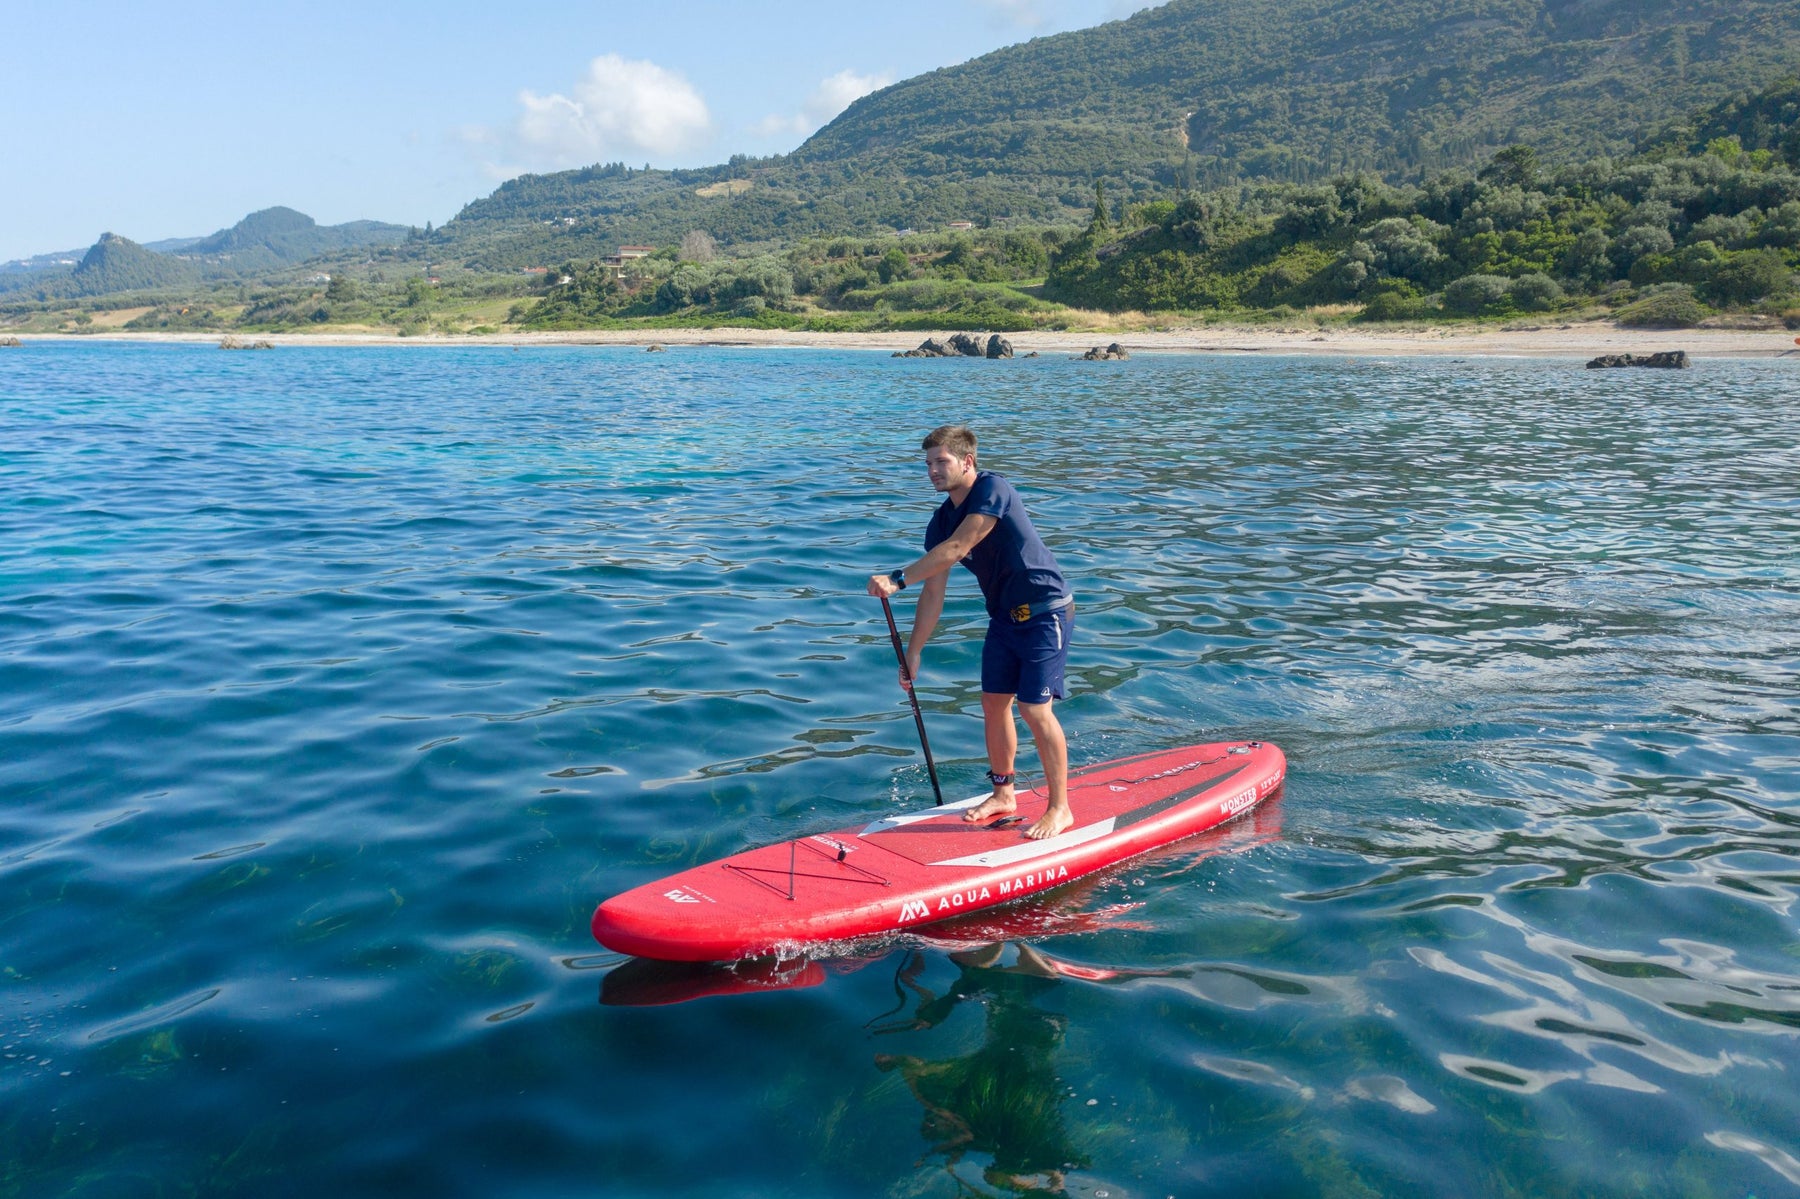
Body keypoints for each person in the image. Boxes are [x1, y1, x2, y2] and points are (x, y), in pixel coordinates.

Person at [866, 424, 1075, 839]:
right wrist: (914, 652)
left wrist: (897, 578)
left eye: (941, 461)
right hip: (1003, 619)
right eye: (928, 463)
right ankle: (1003, 794)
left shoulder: (993, 489)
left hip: (1045, 612)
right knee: (993, 704)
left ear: (967, 461)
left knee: (1034, 709)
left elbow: (959, 548)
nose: (932, 471)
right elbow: (934, 592)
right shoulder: (940, 522)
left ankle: (1060, 808)